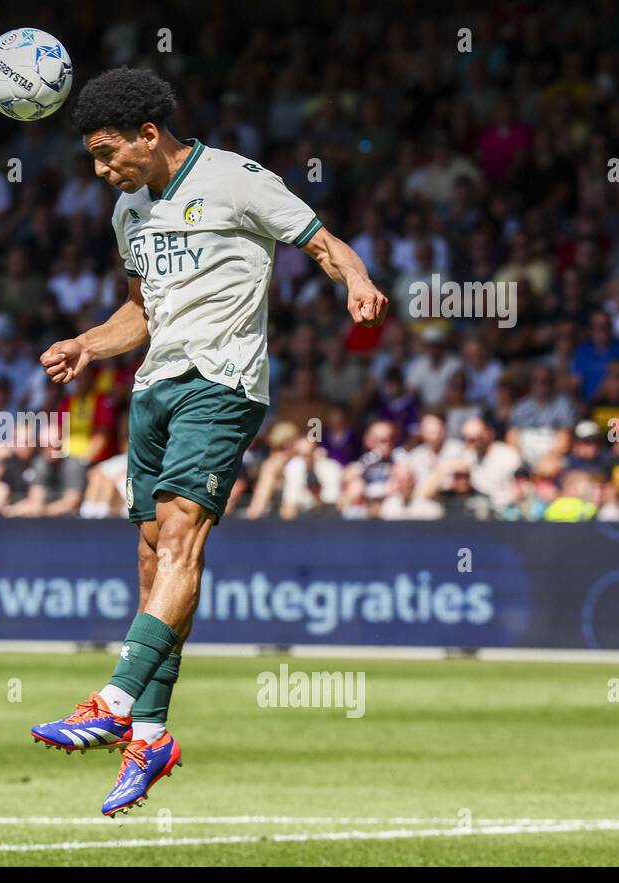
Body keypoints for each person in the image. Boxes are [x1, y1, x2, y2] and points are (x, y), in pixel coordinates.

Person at [29, 67, 387, 816]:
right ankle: (151, 735)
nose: (100, 171)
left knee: (184, 533)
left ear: (149, 135)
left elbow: (323, 243)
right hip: (153, 388)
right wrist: (89, 344)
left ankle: (117, 698)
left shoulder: (237, 180)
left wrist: (354, 281)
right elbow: (142, 311)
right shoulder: (129, 210)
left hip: (221, 382)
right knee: (153, 553)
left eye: (106, 153)